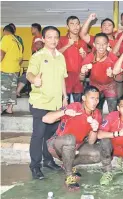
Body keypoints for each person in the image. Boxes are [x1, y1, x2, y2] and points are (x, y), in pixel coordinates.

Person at [44, 86, 111, 190]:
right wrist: (64, 112)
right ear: (84, 98)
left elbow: (91, 142)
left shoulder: (97, 114)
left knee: (98, 155)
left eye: (97, 98)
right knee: (70, 139)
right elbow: (46, 119)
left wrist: (94, 129)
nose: (95, 101)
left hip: (75, 147)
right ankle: (69, 175)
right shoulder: (75, 107)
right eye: (92, 98)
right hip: (56, 144)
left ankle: (68, 164)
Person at [26, 26, 68, 179]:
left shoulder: (60, 57)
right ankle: (35, 166)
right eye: (49, 37)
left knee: (49, 136)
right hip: (40, 103)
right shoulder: (37, 56)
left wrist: (65, 97)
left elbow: (63, 78)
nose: (53, 40)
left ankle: (48, 161)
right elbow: (29, 73)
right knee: (38, 135)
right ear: (43, 39)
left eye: (56, 37)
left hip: (56, 104)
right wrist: (34, 79)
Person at [80, 33, 119, 113]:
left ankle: (112, 124)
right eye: (98, 44)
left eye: (104, 44)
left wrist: (113, 74)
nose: (101, 46)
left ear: (108, 44)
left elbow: (120, 78)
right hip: (95, 85)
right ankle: (97, 123)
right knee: (95, 109)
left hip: (110, 85)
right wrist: (82, 73)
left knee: (113, 109)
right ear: (94, 44)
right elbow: (81, 78)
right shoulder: (90, 57)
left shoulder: (113, 57)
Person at [57, 16, 88, 104]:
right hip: (65, 76)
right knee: (63, 105)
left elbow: (87, 61)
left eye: (77, 24)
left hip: (78, 77)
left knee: (78, 104)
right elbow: (55, 54)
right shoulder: (62, 40)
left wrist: (85, 56)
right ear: (67, 27)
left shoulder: (83, 41)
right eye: (72, 24)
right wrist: (67, 45)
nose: (75, 26)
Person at [1, 25, 23, 115]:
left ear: (5, 31)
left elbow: (1, 53)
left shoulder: (6, 38)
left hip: (5, 69)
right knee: (12, 91)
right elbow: (21, 59)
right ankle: (9, 109)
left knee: (2, 90)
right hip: (15, 70)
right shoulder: (18, 42)